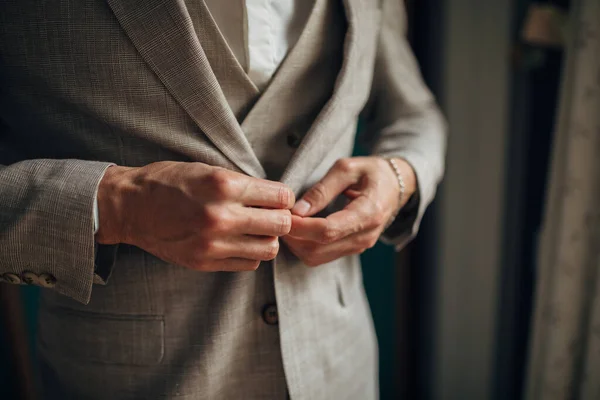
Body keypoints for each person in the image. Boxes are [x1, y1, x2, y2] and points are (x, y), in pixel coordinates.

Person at [0, 0, 446, 398]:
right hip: (138, 380)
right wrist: (121, 205)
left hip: (339, 366)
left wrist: (399, 176)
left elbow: (413, 111)